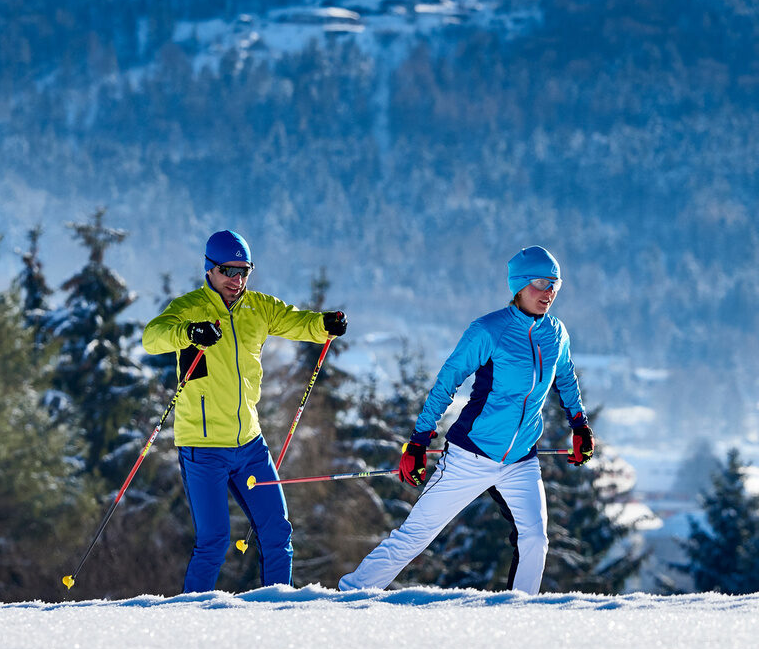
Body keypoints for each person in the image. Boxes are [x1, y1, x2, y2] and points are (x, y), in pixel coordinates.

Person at [338, 246, 593, 594]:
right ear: (518, 285)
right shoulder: (489, 330)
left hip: (521, 459)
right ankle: (351, 591)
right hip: (469, 455)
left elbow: (565, 376)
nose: (548, 292)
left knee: (535, 539)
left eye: (555, 284)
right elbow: (447, 382)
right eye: (539, 283)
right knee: (416, 536)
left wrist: (579, 425)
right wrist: (418, 440)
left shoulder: (556, 333)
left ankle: (519, 615)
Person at [143, 229, 347, 591]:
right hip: (203, 448)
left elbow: (297, 321)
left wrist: (323, 324)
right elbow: (153, 336)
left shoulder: (259, 307)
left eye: (244, 271)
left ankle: (277, 611)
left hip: (250, 445)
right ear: (209, 269)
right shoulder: (189, 308)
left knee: (277, 532)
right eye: (228, 271)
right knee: (214, 541)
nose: (237, 281)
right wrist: (190, 332)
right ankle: (189, 621)